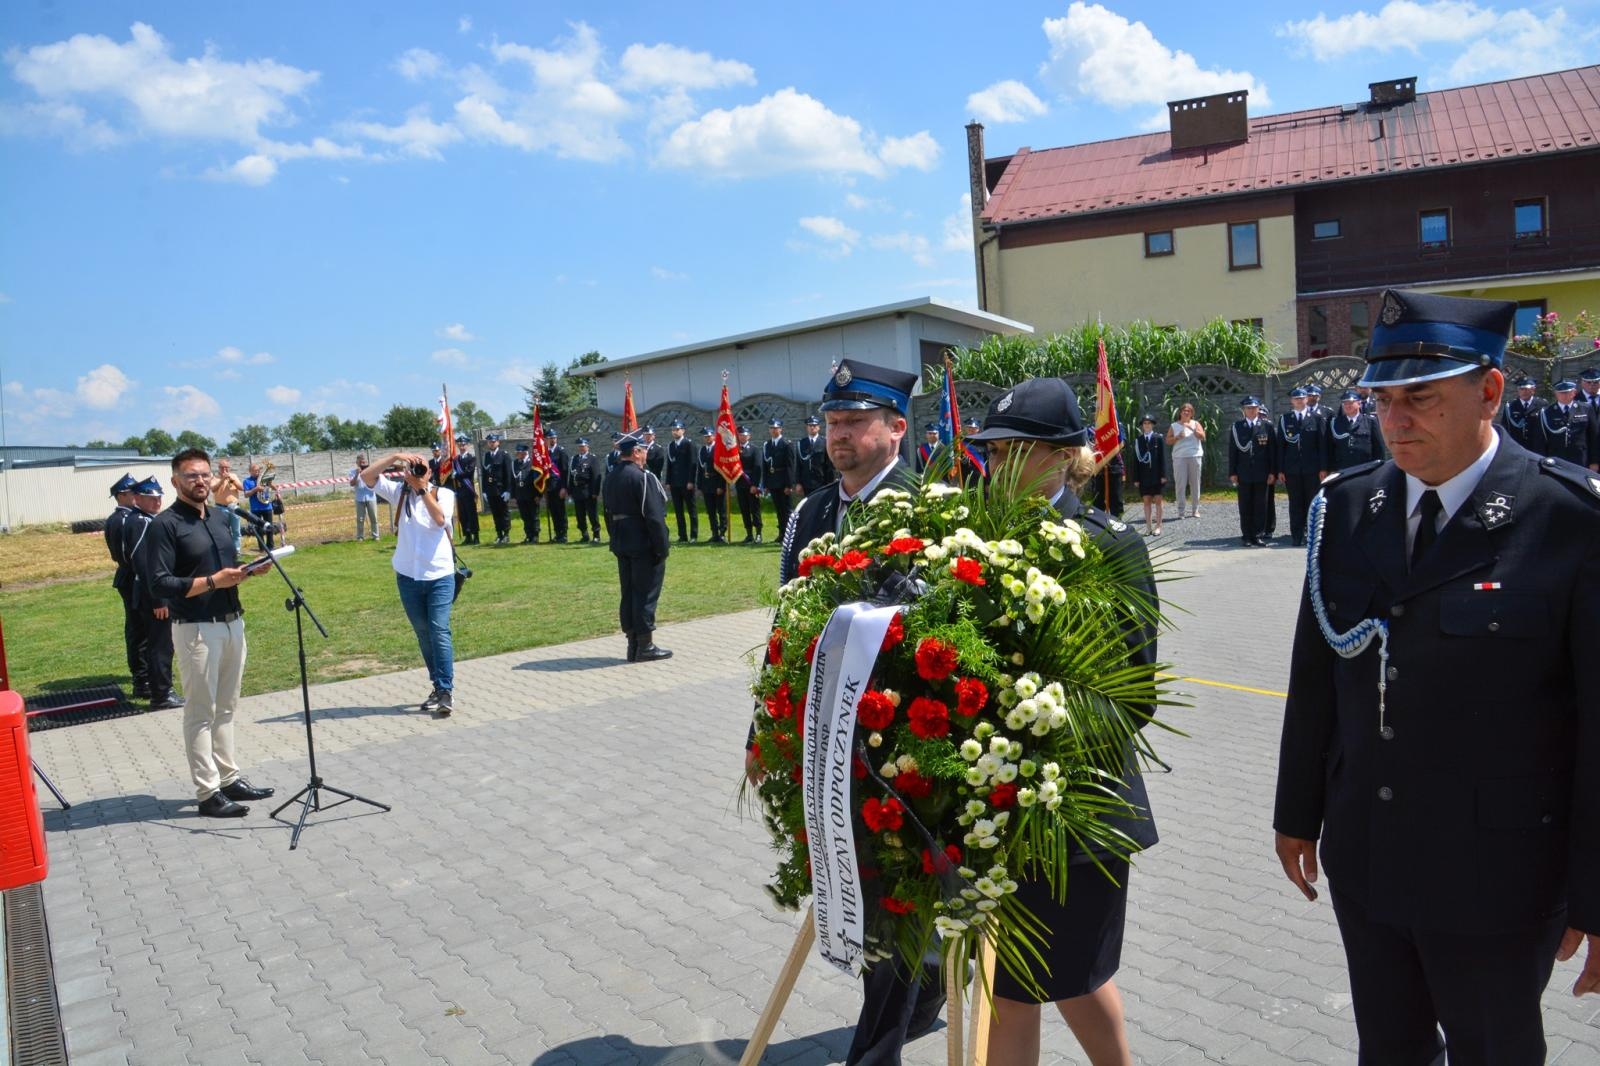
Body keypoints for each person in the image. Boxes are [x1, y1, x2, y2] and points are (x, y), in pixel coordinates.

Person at [1274, 288, 1600, 1063]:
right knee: (1388, 1049)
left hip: (1499, 874)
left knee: (1495, 1050)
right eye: (1382, 401)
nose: (1394, 421)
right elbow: (1317, 675)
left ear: (1489, 391)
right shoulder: (1348, 510)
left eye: (1420, 397)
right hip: (1369, 855)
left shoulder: (1567, 520)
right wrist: (1296, 811)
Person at [967, 377, 1160, 1066]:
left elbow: (1134, 695)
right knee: (1008, 983)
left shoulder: (1108, 546)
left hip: (1078, 807)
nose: (996, 465)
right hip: (992, 804)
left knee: (1077, 977)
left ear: (1062, 456)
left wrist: (1032, 737)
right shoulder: (974, 543)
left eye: (1015, 449)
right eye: (991, 451)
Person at [773, 359, 946, 1061]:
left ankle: (875, 1051)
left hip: (896, 749)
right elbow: (785, 627)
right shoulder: (811, 512)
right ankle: (922, 994)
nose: (837, 435)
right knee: (860, 895)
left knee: (892, 901)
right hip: (822, 744)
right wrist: (772, 731)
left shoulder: (930, 511)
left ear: (897, 427)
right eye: (831, 422)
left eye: (854, 421)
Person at [142, 447, 274, 818]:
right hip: (196, 629)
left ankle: (229, 778)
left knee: (227, 706)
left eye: (204, 474)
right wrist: (213, 582)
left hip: (232, 622)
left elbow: (225, 569)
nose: (200, 481)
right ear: (175, 481)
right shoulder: (165, 525)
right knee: (201, 711)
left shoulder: (218, 517)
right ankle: (207, 792)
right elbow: (159, 583)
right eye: (191, 476)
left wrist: (247, 571)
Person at [361, 450, 459, 715]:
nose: (417, 472)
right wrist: (394, 458)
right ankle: (437, 686)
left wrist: (422, 489)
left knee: (439, 629)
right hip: (407, 576)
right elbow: (366, 476)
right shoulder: (399, 493)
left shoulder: (444, 494)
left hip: (439, 575)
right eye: (414, 468)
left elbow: (440, 520)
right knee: (423, 633)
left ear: (431, 472)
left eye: (422, 468)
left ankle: (446, 689)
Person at [601, 430, 671, 662]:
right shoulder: (643, 477)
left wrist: (615, 537)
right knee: (645, 593)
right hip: (642, 543)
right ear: (636, 452)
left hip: (621, 541)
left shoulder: (611, 476)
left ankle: (632, 644)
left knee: (629, 592)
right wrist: (662, 547)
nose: (646, 456)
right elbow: (654, 517)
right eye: (644, 451)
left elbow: (607, 514)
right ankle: (645, 646)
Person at [125, 476, 182, 711]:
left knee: (156, 643)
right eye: (150, 498)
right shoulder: (142, 522)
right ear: (137, 499)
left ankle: (159, 689)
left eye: (159, 497)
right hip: (153, 594)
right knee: (161, 644)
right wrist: (159, 598)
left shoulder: (142, 519)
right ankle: (162, 694)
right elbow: (144, 562)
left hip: (148, 591)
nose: (157, 501)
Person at [104, 473, 149, 698]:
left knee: (138, 628)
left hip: (129, 575)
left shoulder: (121, 518)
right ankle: (142, 678)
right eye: (133, 492)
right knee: (139, 629)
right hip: (132, 577)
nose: (137, 496)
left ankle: (144, 675)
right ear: (121, 495)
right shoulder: (124, 519)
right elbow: (128, 554)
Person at [1228, 397, 1277, 547]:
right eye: (1248, 408)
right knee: (1245, 505)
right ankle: (1246, 535)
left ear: (1258, 409)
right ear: (1244, 410)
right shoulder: (1237, 427)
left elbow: (1272, 452)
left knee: (1261, 505)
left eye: (1254, 408)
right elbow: (1233, 451)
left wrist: (1272, 472)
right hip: (1243, 472)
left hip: (1262, 472)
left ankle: (1258, 535)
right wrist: (1233, 472)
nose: (1251, 410)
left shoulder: (1266, 426)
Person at [1278, 388, 1322, 547]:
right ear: (1291, 401)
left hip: (1312, 469)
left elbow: (1321, 445)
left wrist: (1323, 468)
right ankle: (1296, 535)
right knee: (1295, 503)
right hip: (1292, 469)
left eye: (1301, 398)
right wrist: (1281, 469)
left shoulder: (1316, 418)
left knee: (1312, 502)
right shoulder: (1285, 419)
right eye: (1295, 398)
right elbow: (1281, 446)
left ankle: (1312, 534)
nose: (1298, 401)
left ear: (1306, 400)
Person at [1322, 389, 1387, 476]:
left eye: (1351, 403)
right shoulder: (1335, 422)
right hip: (1342, 469)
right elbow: (1329, 448)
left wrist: (1379, 468)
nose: (1347, 405)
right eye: (1345, 403)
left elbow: (1378, 448)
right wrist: (1329, 468)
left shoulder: (1370, 421)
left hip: (1365, 469)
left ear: (1359, 403)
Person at [1531, 379, 1590, 469]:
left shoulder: (1586, 409)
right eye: (1561, 393)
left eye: (1567, 392)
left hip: (1581, 459)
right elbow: (1540, 440)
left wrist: (1594, 461)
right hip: (1556, 459)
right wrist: (1541, 461)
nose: (1564, 395)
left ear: (1574, 392)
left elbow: (1594, 436)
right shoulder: (1546, 412)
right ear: (1556, 393)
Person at [1165, 402, 1205, 519]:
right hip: (1179, 457)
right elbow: (1168, 441)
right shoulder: (1174, 425)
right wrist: (1177, 437)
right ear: (1180, 412)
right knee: (1180, 484)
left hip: (1195, 456)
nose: (1186, 412)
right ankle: (1181, 511)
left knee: (1195, 484)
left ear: (1192, 413)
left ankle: (1195, 510)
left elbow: (1203, 437)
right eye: (1184, 410)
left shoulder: (1196, 424)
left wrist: (1192, 429)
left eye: (1189, 411)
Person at [1131, 413, 1166, 536]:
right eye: (1145, 423)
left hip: (1156, 475)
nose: (1147, 425)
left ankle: (1158, 526)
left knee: (1158, 500)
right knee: (1146, 501)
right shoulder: (1138, 440)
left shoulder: (1158, 438)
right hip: (1144, 476)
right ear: (1142, 426)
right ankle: (1148, 527)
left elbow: (1162, 458)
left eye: (1149, 423)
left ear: (1153, 425)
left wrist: (1163, 475)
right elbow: (1135, 460)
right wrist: (1136, 478)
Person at [665, 420, 700, 543]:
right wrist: (668, 481)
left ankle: (694, 535)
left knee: (691, 510)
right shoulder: (670, 446)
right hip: (675, 483)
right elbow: (669, 465)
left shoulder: (689, 444)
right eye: (673, 430)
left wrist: (691, 481)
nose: (675, 432)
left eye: (677, 429)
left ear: (683, 430)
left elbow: (693, 464)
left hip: (686, 483)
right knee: (678, 511)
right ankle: (682, 535)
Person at [762, 418, 799, 536]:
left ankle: (789, 535)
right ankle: (781, 533)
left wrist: (789, 484)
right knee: (778, 510)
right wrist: (765, 484)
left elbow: (790, 465)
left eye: (776, 428)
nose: (773, 430)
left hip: (783, 481)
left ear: (781, 429)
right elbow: (765, 466)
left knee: (786, 510)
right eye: (771, 428)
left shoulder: (786, 444)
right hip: (772, 481)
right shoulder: (767, 445)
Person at [479, 432, 514, 546]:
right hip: (490, 490)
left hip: (501, 489)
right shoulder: (486, 456)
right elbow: (484, 474)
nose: (491, 444)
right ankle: (499, 534)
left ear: (498, 442)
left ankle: (506, 534)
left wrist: (508, 490)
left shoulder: (504, 455)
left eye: (493, 442)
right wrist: (484, 490)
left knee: (504, 512)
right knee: (495, 513)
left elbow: (508, 474)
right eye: (489, 442)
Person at [696, 426, 728, 543]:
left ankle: (722, 533)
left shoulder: (719, 448)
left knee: (721, 509)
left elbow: (722, 469)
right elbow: (700, 469)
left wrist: (721, 485)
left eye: (709, 436)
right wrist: (699, 485)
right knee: (710, 511)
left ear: (714, 436)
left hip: (717, 482)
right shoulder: (702, 450)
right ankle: (714, 533)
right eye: (705, 437)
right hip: (706, 483)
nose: (707, 438)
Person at [568, 437, 603, 543]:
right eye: (580, 446)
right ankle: (584, 534)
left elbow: (596, 476)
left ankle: (596, 535)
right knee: (579, 515)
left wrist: (595, 492)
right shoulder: (574, 459)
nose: (581, 448)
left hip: (588, 490)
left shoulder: (592, 458)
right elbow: (571, 475)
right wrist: (570, 491)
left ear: (587, 446)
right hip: (577, 491)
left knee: (592, 514)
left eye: (583, 446)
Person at [1499, 376, 1545, 451]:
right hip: (1516, 446)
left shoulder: (1542, 404)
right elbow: (1505, 427)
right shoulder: (1510, 406)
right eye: (1521, 389)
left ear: (1533, 390)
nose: (1523, 392)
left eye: (1526, 389)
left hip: (1536, 447)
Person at [735, 426, 764, 543]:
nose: (742, 437)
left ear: (749, 436)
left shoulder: (754, 449)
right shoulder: (735, 450)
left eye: (745, 435)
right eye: (740, 435)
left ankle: (758, 533)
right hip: (740, 483)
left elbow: (758, 468)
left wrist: (755, 485)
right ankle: (749, 534)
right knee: (744, 509)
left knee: (754, 509)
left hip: (751, 483)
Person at [210, 458, 245, 552]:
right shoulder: (214, 478)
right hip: (221, 508)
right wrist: (222, 480)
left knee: (236, 531)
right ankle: (226, 550)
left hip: (234, 507)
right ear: (219, 468)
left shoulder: (233, 476)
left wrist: (232, 480)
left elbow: (242, 488)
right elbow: (213, 489)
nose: (225, 470)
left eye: (226, 468)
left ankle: (237, 550)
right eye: (222, 468)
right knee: (223, 531)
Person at [542, 428, 571, 543]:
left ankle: (563, 534)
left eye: (554, 438)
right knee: (553, 510)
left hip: (559, 486)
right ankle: (557, 533)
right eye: (550, 438)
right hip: (549, 487)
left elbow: (564, 471)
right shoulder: (545, 453)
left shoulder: (561, 451)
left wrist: (564, 487)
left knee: (560, 511)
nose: (552, 440)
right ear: (546, 439)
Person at [451, 433, 480, 545]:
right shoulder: (455, 460)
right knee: (462, 514)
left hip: (468, 490)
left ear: (467, 445)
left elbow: (469, 472)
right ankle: (467, 536)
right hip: (459, 490)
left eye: (464, 445)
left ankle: (476, 536)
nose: (462, 447)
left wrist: (456, 475)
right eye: (460, 445)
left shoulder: (471, 458)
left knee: (471, 513)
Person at [241, 462, 278, 549]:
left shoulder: (264, 479)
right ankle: (262, 547)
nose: (257, 472)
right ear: (250, 471)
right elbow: (246, 495)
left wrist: (270, 484)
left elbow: (275, 488)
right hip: (255, 508)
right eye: (255, 471)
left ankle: (270, 547)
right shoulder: (246, 481)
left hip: (267, 506)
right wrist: (256, 489)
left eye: (258, 470)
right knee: (258, 529)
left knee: (269, 526)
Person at [512, 442, 540, 543]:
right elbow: (513, 480)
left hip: (531, 493)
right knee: (525, 516)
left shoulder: (532, 462)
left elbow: (537, 480)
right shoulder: (515, 463)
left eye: (519, 453)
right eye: (517, 453)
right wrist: (513, 496)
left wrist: (538, 495)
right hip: (520, 493)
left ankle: (535, 535)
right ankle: (528, 535)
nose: (517, 455)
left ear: (524, 453)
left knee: (534, 515)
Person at [798, 415, 834, 493]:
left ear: (818, 427)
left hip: (822, 481)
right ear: (806, 427)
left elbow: (829, 465)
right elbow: (798, 465)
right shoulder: (801, 443)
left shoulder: (825, 442)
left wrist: (830, 482)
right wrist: (798, 483)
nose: (812, 427)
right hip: (806, 482)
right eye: (810, 425)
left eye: (814, 425)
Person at [349, 453, 381, 542]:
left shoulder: (370, 471)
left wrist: (370, 472)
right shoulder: (352, 472)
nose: (362, 464)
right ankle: (360, 537)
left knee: (374, 517)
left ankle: (376, 536)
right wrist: (357, 474)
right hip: (359, 498)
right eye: (360, 462)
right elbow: (352, 484)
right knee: (360, 519)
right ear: (357, 463)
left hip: (371, 497)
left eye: (364, 462)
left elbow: (377, 480)